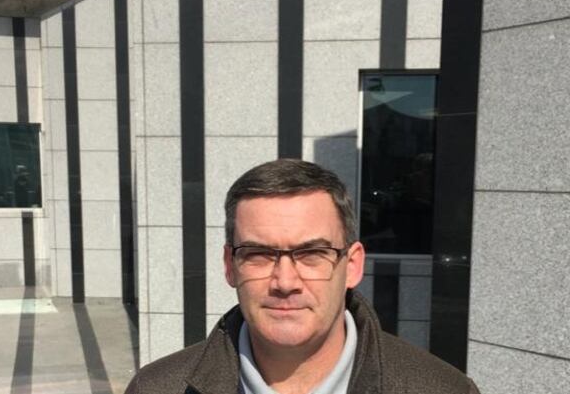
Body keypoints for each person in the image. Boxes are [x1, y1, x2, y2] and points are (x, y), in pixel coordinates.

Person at [126, 159, 480, 394]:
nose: (285, 282)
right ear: (230, 266)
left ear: (353, 265)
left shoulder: (443, 390)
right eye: (259, 254)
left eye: (312, 254)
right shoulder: (157, 389)